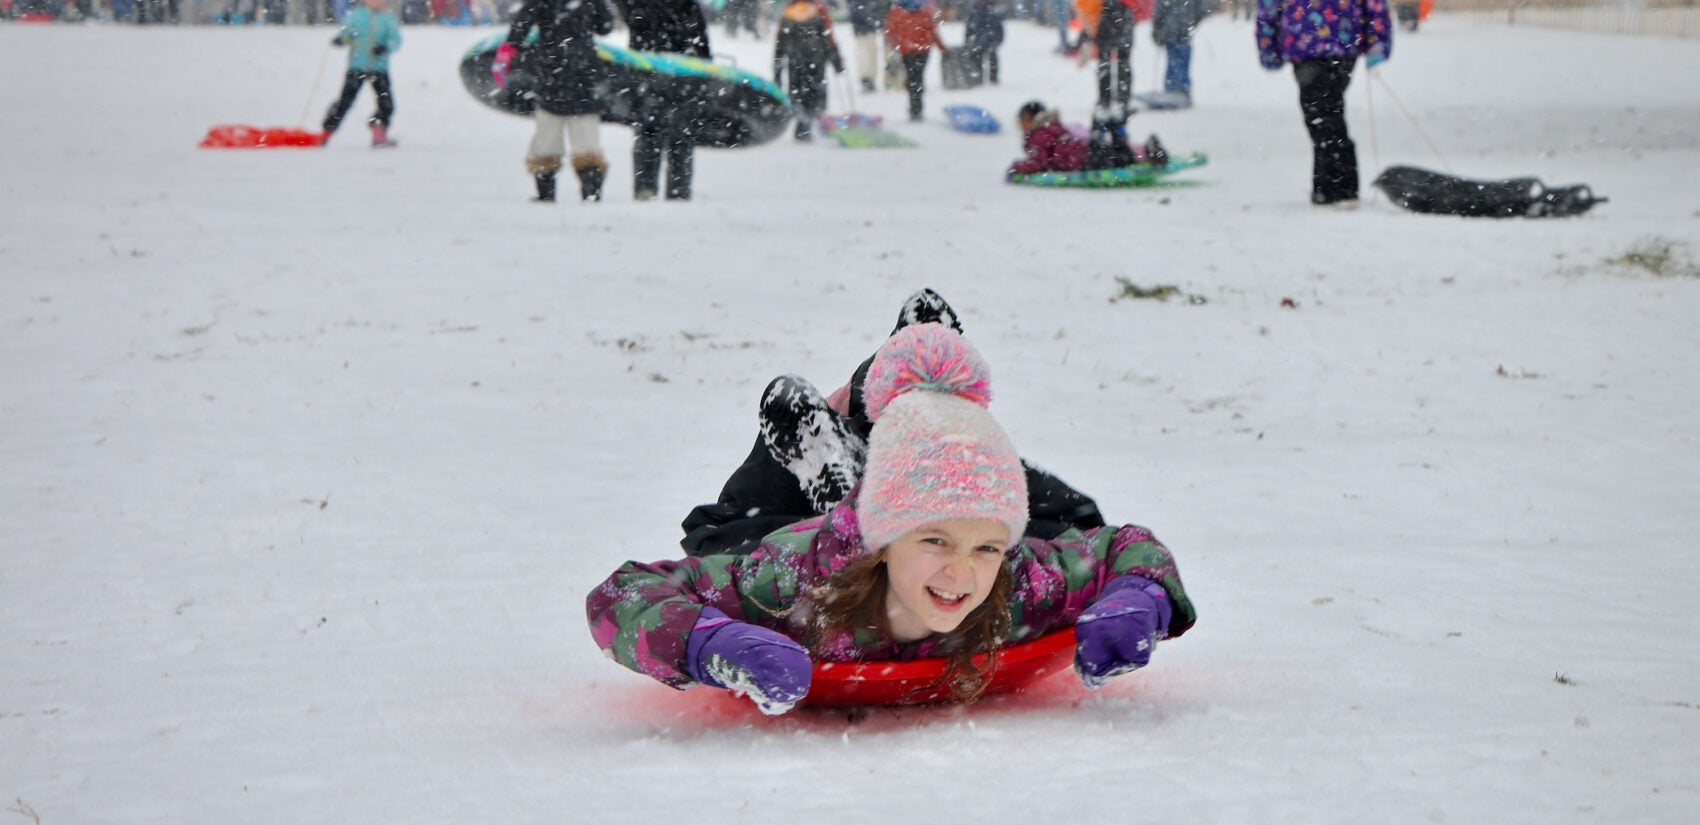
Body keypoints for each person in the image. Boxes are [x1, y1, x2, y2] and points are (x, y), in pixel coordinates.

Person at [590, 323, 1198, 714]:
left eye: (987, 548)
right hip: (794, 529)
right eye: (938, 541)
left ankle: (897, 412)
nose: (963, 572)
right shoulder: (791, 582)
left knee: (1066, 517)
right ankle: (850, 419)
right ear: (881, 542)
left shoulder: (1016, 579)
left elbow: (1122, 544)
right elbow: (624, 593)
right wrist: (707, 641)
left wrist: (1138, 596)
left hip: (908, 497)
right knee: (728, 530)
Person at [680, 289, 1110, 560]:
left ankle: (860, 498)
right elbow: (1082, 524)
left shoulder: (969, 454)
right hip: (842, 499)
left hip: (896, 482)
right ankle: (858, 498)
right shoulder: (972, 457)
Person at [1256, 0, 1392, 206]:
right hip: (1329, 42)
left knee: (1322, 114)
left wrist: (1268, 46)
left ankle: (1338, 187)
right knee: (1326, 111)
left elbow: (1268, 9)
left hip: (1316, 43)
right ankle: (1331, 186)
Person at [493, 0, 616, 202]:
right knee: (586, 142)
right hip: (583, 75)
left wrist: (509, 50)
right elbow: (605, 26)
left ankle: (546, 193)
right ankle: (591, 191)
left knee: (546, 141)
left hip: (550, 74)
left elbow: (520, 28)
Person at [612, 0, 711, 200]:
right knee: (680, 136)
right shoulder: (686, 5)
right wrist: (706, 69)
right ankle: (678, 189)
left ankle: (645, 188)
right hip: (681, 73)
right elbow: (700, 38)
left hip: (647, 70)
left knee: (648, 132)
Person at [1006, 100, 1166, 177]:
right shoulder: (1053, 127)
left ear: (1028, 120)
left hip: (1079, 163)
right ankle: (1116, 132)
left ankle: (1114, 134)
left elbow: (1038, 162)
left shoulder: (1038, 136)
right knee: (1117, 157)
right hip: (1083, 151)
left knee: (1118, 160)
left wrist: (1017, 167)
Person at [320, 0, 403, 148]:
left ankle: (378, 131)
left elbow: (395, 40)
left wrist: (385, 47)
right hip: (357, 66)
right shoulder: (356, 16)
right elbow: (347, 33)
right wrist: (341, 39)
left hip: (379, 68)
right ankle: (326, 132)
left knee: (386, 104)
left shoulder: (387, 17)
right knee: (345, 102)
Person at [773, 0, 845, 141]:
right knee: (814, 92)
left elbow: (780, 41)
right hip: (815, 59)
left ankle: (802, 122)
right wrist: (837, 62)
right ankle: (809, 121)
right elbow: (828, 38)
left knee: (797, 91)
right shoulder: (818, 9)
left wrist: (777, 68)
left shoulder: (789, 11)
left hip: (795, 60)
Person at [884, 0, 947, 122]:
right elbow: (932, 31)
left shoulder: (897, 12)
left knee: (912, 78)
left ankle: (915, 107)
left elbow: (890, 31)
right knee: (918, 78)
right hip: (923, 51)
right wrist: (942, 47)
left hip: (907, 51)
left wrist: (895, 45)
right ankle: (917, 107)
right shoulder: (923, 11)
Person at [1075, 0, 1137, 116]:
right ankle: (1122, 99)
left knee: (1105, 62)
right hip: (1123, 15)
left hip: (1106, 16)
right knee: (1123, 62)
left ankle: (1105, 99)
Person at [1151, 0, 1215, 107]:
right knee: (1174, 61)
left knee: (1179, 61)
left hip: (1180, 32)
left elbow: (1202, 8)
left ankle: (1180, 91)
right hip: (1173, 32)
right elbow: (1159, 10)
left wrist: (1192, 22)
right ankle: (1174, 91)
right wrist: (1157, 29)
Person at [846, 0, 887, 93]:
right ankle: (866, 78)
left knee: (869, 54)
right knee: (865, 55)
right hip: (864, 30)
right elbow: (858, 13)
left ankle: (869, 78)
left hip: (867, 29)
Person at [962, 0, 1004, 87]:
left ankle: (979, 78)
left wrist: (967, 40)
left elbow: (970, 25)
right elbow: (997, 26)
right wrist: (998, 38)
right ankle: (991, 79)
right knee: (990, 58)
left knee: (980, 58)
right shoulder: (989, 10)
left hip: (981, 40)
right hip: (987, 39)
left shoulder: (978, 8)